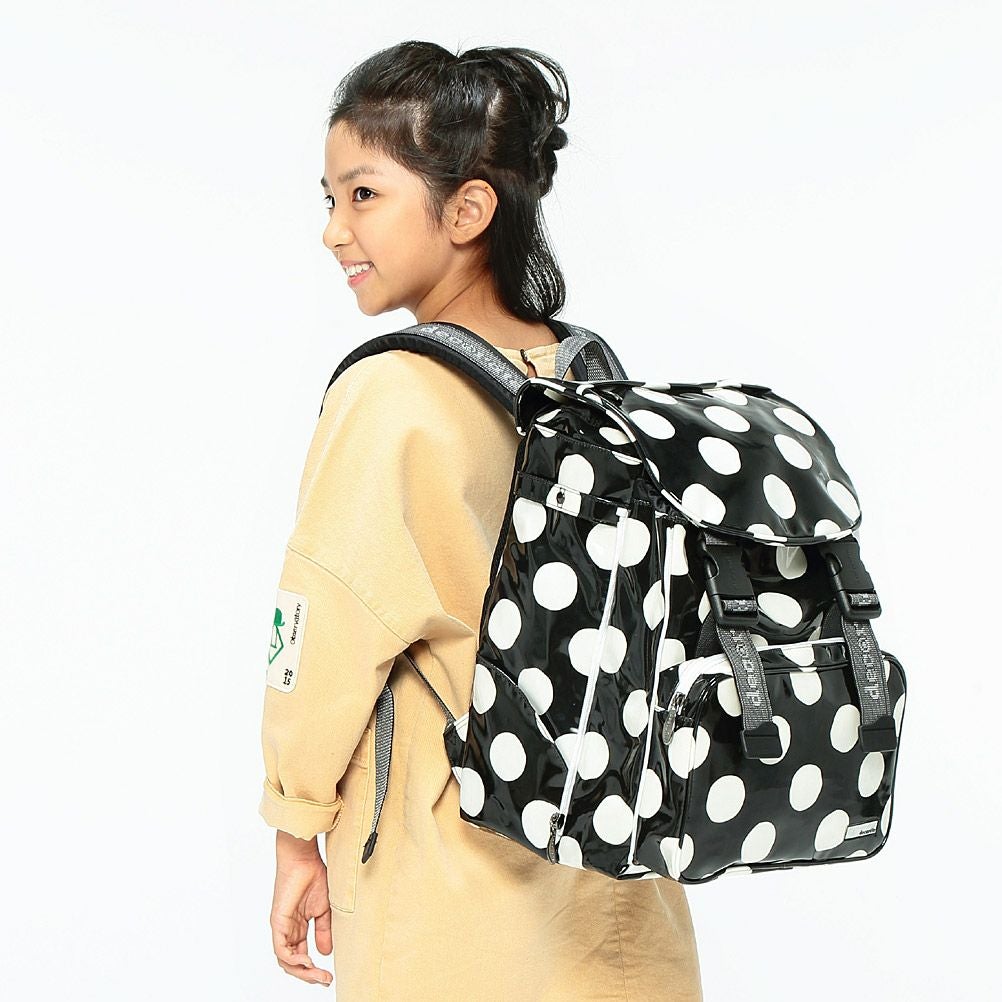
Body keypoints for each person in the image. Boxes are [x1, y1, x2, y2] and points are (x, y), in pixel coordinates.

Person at [258, 40, 704, 1001]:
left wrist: (295, 828)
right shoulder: (593, 380)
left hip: (451, 873)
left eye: (363, 195)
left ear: (467, 211)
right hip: (619, 861)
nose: (334, 231)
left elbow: (325, 627)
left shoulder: (392, 393)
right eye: (328, 199)